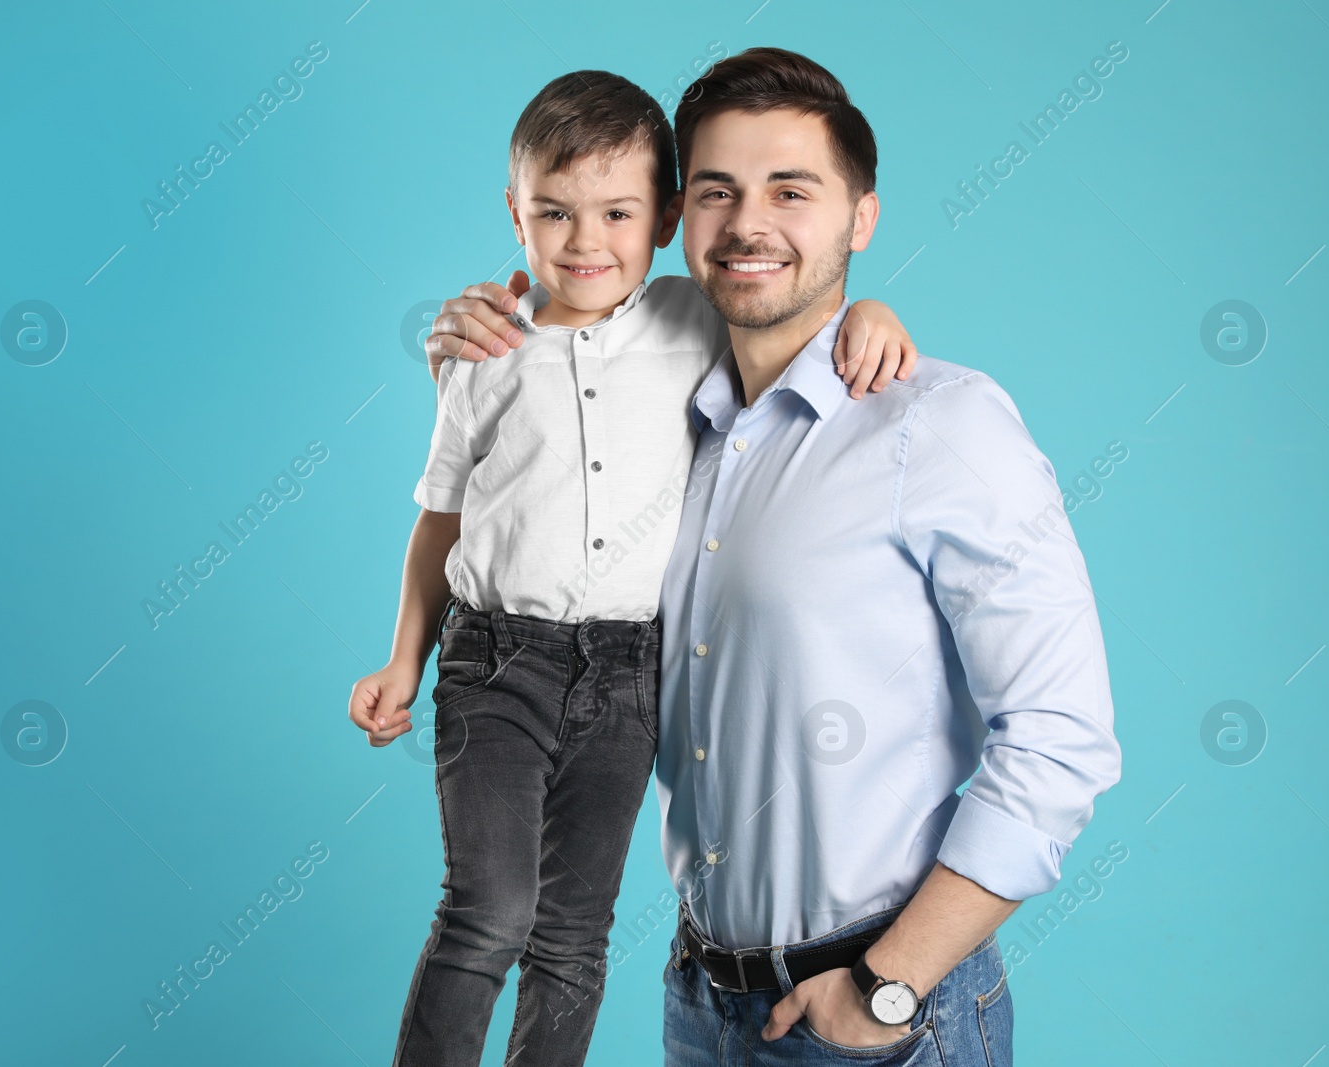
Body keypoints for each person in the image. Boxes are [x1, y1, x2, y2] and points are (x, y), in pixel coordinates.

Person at [444, 47, 1125, 1066]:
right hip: (700, 1000)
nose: (748, 223)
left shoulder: (938, 426)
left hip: (872, 1015)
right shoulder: (670, 429)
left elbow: (1062, 742)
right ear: (680, 218)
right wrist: (484, 330)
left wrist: (884, 985)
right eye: (718, 191)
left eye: (790, 191)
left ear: (861, 218)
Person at [347, 68, 919, 1067]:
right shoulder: (482, 350)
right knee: (490, 909)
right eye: (553, 214)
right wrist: (404, 657)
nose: (583, 241)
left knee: (573, 930)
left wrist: (871, 316)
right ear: (515, 216)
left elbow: (797, 320)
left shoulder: (689, 320)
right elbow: (440, 520)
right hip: (495, 661)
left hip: (628, 672)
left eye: (615, 213)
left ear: (660, 219)